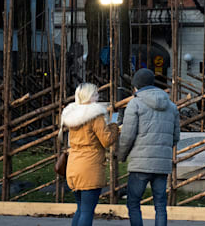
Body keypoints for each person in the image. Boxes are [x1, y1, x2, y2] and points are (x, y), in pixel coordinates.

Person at [118, 68, 181, 226]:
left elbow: (127, 135)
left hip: (140, 164)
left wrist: (122, 155)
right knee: (160, 204)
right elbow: (175, 137)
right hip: (162, 164)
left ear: (136, 86)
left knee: (133, 203)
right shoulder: (171, 106)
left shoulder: (135, 103)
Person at [61, 83, 118, 226]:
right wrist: (114, 127)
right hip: (90, 167)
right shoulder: (95, 115)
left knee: (80, 208)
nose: (98, 97)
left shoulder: (72, 115)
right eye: (96, 94)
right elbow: (107, 140)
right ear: (90, 96)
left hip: (74, 166)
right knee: (87, 211)